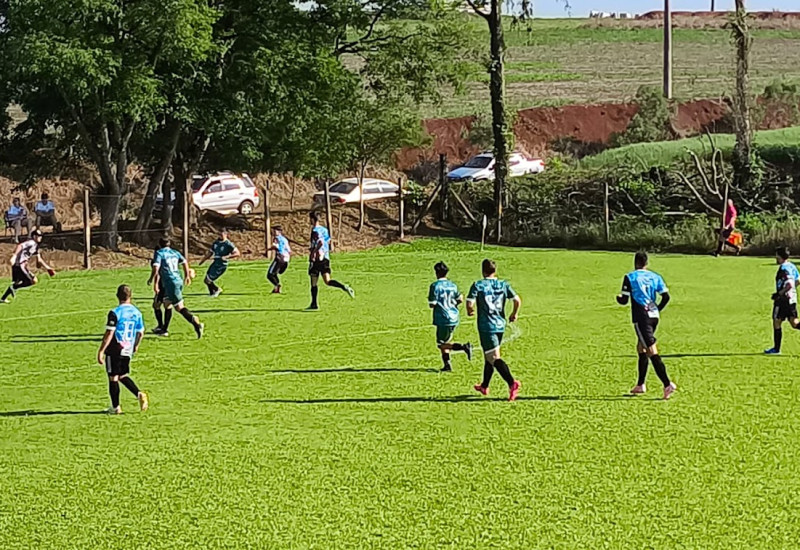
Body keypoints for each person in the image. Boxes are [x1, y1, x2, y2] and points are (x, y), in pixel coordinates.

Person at [615, 251, 677, 400]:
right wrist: (656, 308)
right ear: (646, 263)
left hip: (641, 317)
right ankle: (640, 384)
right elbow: (666, 297)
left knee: (651, 349)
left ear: (635, 263)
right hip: (654, 316)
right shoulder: (655, 276)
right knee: (641, 347)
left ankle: (667, 384)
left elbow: (624, 300)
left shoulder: (630, 277)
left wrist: (618, 299)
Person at [467, 259, 522, 401]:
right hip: (500, 324)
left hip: (487, 326)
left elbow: (469, 302)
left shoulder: (478, 285)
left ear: (483, 270)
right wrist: (514, 313)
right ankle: (484, 386)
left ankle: (512, 383)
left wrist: (470, 310)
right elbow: (517, 300)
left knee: (493, 357)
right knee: (489, 355)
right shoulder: (503, 284)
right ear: (494, 270)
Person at [97, 285, 149, 415]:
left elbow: (110, 333)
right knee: (122, 375)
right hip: (127, 349)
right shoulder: (137, 313)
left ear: (117, 296)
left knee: (113, 377)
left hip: (116, 347)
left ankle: (116, 408)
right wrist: (136, 345)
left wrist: (101, 350)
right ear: (130, 296)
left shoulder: (115, 312)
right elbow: (141, 332)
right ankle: (139, 393)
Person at [147, 237, 204, 338]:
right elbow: (185, 262)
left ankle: (195, 322)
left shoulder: (159, 253)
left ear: (160, 245)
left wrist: (151, 279)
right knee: (166, 304)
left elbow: (156, 268)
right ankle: (163, 329)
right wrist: (186, 275)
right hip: (177, 280)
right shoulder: (175, 252)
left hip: (170, 282)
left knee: (179, 307)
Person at [428, 261, 472, 372]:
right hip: (454, 316)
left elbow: (432, 304)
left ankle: (463, 347)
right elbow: (460, 298)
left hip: (442, 318)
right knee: (445, 342)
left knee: (441, 344)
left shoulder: (435, 286)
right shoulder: (453, 285)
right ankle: (447, 365)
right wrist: (453, 304)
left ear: (437, 273)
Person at [307, 211, 354, 310]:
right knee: (328, 281)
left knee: (313, 282)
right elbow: (327, 240)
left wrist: (314, 251)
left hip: (317, 259)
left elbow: (319, 242)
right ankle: (344, 287)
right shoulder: (324, 229)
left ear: (312, 219)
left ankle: (314, 304)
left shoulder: (315, 230)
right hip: (325, 258)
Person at [1, 230, 55, 303]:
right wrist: (14, 256)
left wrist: (48, 268)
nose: (40, 237)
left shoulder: (35, 246)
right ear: (34, 236)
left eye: (41, 236)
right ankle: (13, 288)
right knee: (32, 281)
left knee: (18, 281)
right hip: (20, 264)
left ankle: (3, 298)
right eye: (38, 236)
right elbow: (20, 246)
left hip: (20, 265)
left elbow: (39, 260)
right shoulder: (31, 242)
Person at [764, 246, 800, 355]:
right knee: (794, 323)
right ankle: (776, 349)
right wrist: (792, 291)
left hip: (783, 300)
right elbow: (797, 280)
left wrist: (779, 293)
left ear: (779, 256)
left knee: (777, 321)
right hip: (792, 299)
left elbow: (789, 283)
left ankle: (776, 349)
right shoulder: (792, 266)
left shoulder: (784, 268)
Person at [198, 229, 240, 297]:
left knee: (208, 280)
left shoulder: (228, 244)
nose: (220, 236)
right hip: (215, 263)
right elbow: (210, 253)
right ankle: (212, 293)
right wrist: (203, 260)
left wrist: (227, 257)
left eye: (222, 234)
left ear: (226, 234)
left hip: (221, 265)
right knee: (206, 279)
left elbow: (237, 253)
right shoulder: (216, 243)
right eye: (219, 234)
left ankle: (217, 290)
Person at [267, 225, 291, 294]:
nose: (273, 232)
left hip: (279, 258)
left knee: (270, 274)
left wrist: (269, 249)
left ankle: (277, 285)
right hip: (286, 260)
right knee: (275, 273)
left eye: (275, 231)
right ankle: (276, 288)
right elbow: (289, 250)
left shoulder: (276, 238)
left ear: (279, 232)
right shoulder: (285, 239)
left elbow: (275, 246)